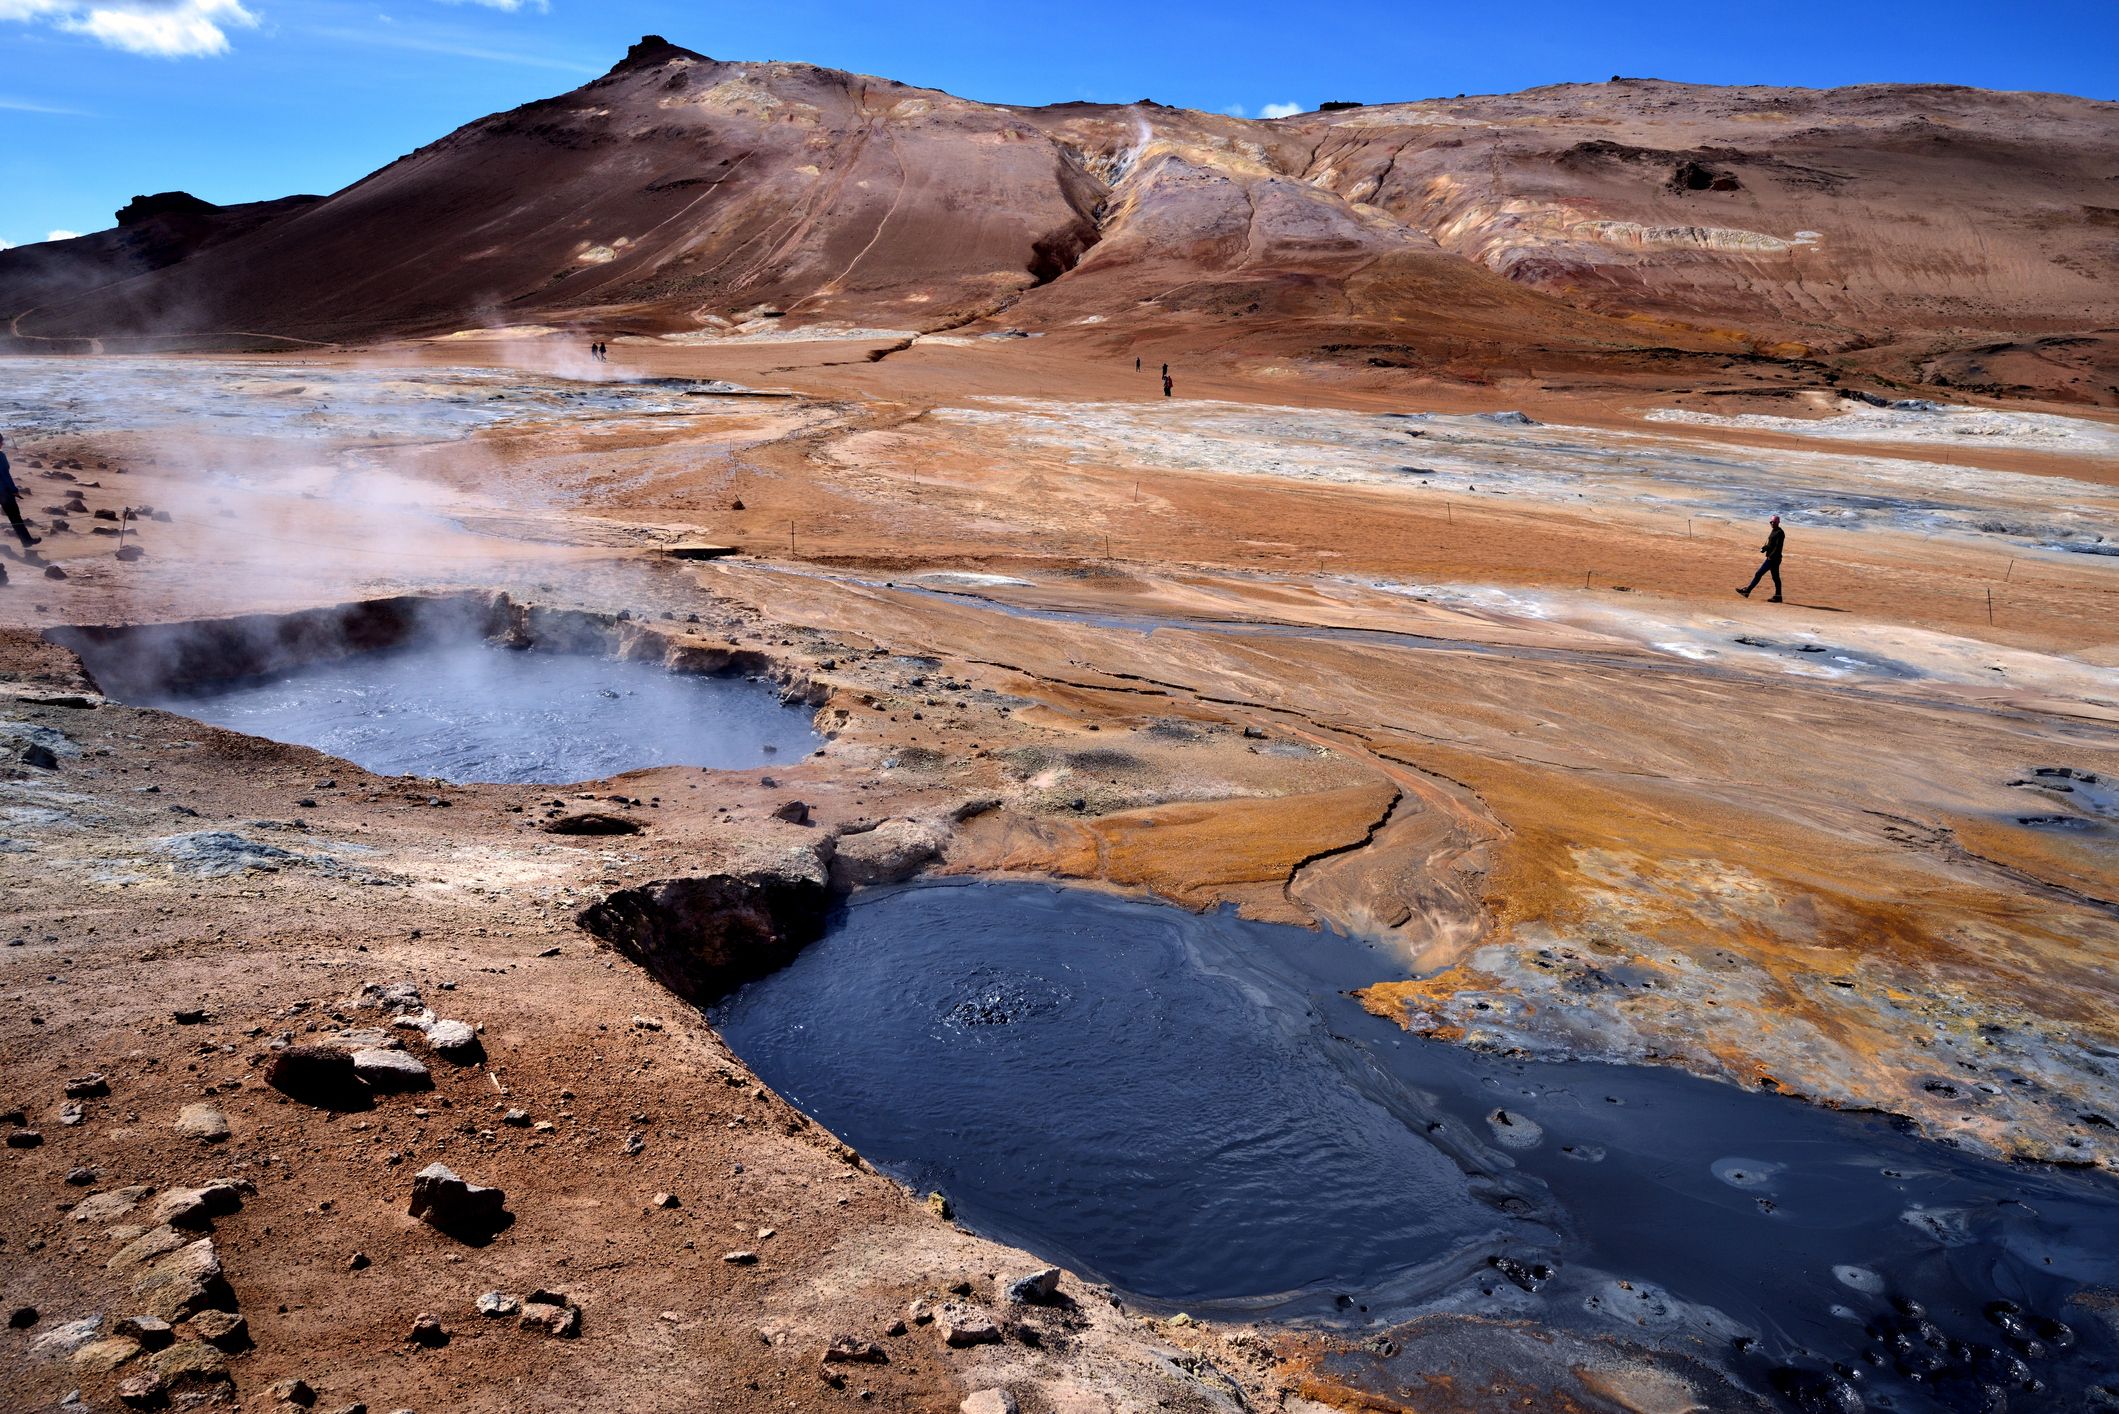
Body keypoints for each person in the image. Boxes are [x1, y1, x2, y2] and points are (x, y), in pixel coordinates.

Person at [0, 434, 40, 550]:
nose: (3, 444)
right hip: (4, 492)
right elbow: (4, 475)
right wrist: (14, 490)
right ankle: (26, 541)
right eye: (1, 442)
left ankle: (26, 541)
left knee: (15, 516)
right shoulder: (0, 456)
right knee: (15, 517)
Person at [1739, 514, 1784, 601]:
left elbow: (1778, 547)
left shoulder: (1780, 533)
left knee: (1759, 574)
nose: (1771, 523)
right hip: (1773, 558)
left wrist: (1771, 556)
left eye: (1773, 522)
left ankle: (1747, 591)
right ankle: (1778, 596)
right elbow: (1771, 545)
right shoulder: (1774, 530)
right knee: (1775, 578)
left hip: (1773, 559)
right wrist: (1765, 548)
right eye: (1771, 522)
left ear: (1777, 522)